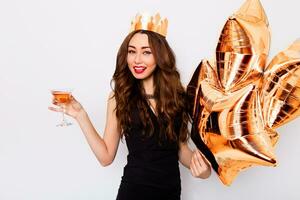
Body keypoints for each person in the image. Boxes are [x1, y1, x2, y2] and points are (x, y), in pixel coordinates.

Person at [49, 13, 211, 200]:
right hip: (133, 192)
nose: (137, 59)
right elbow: (106, 157)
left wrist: (203, 170)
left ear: (160, 56)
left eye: (146, 52)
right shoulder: (119, 98)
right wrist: (80, 115)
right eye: (132, 51)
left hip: (170, 193)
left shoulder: (178, 96)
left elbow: (181, 150)